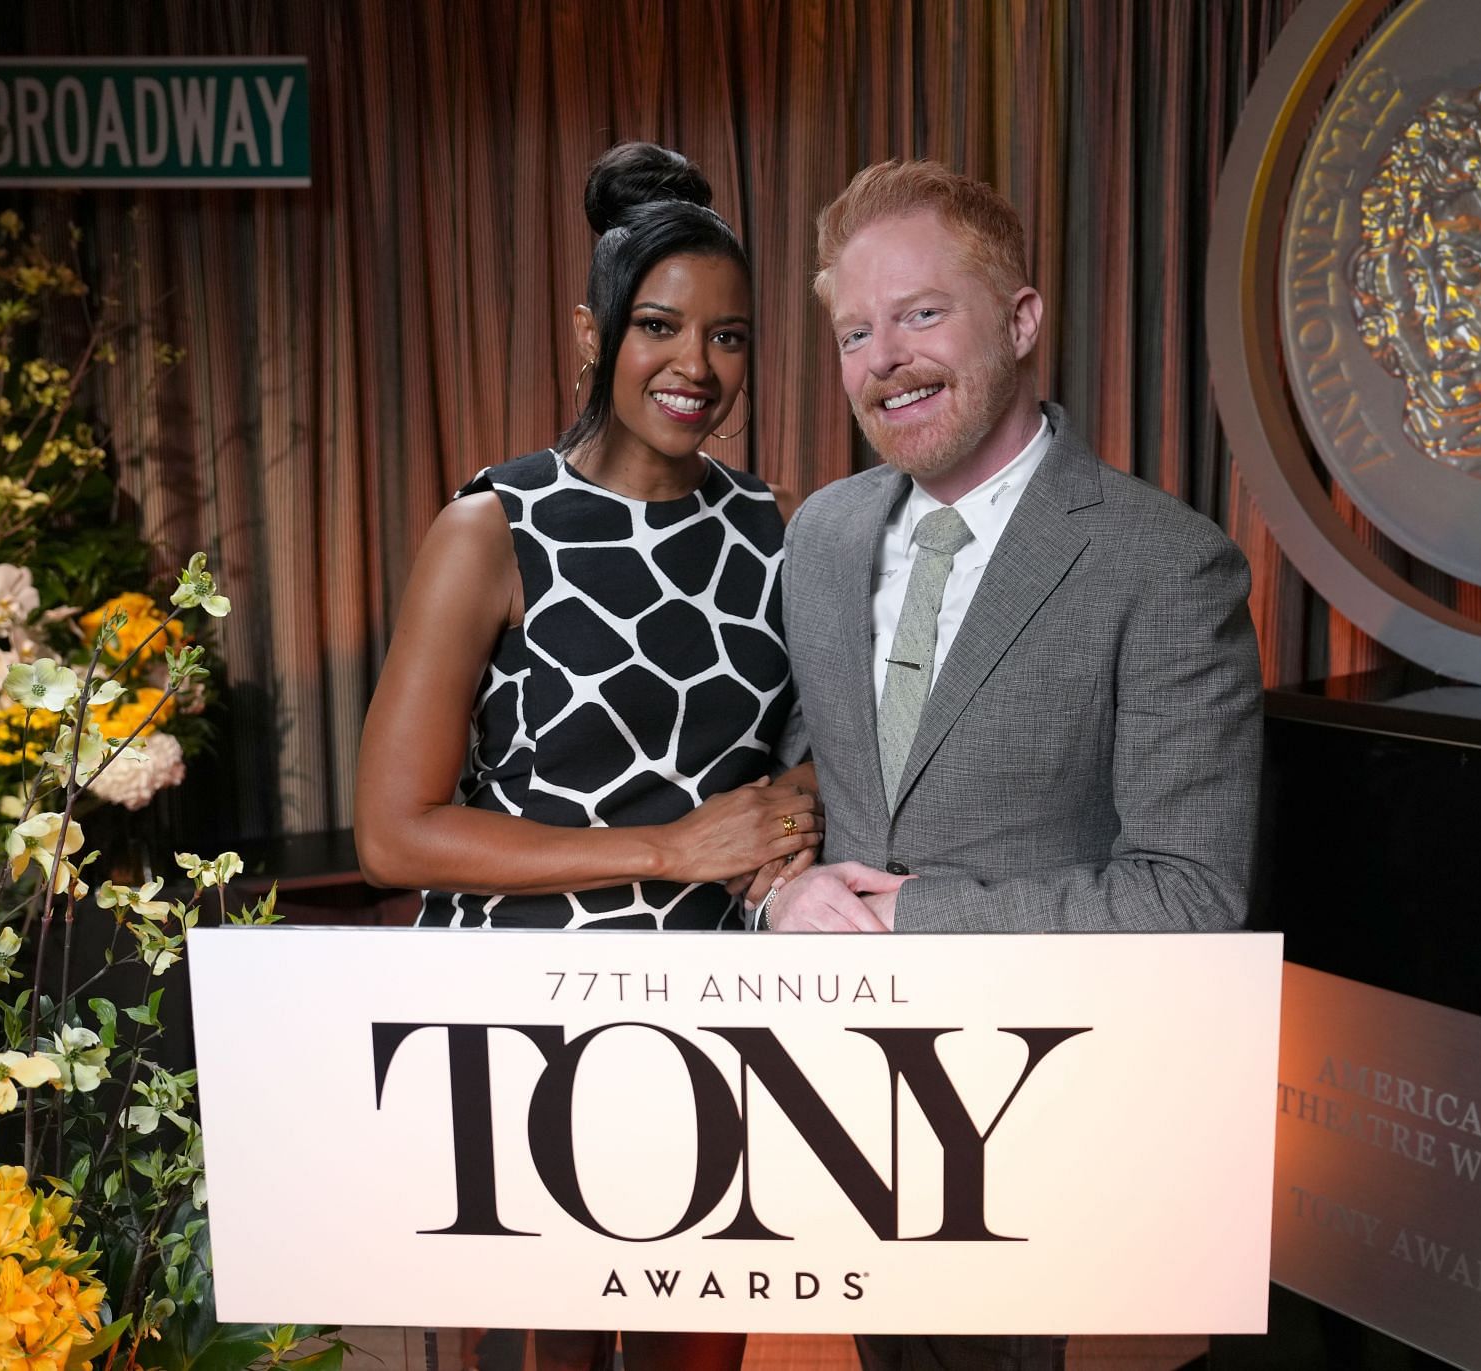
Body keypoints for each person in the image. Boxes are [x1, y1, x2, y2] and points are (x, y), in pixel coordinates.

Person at [760, 159, 1264, 1370]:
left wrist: (912, 923)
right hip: (849, 1122)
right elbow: (793, 791)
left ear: (1022, 320)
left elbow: (1191, 899)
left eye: (923, 313)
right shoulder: (820, 535)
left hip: (1056, 1137)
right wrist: (779, 888)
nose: (887, 358)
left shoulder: (1163, 563)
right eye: (856, 331)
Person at [354, 141, 816, 1371]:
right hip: (517, 1023)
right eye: (659, 325)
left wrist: (803, 805)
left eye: (729, 337)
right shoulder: (493, 529)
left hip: (718, 1020)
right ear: (591, 332)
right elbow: (395, 831)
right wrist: (669, 847)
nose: (696, 366)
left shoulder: (778, 530)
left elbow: (820, 755)